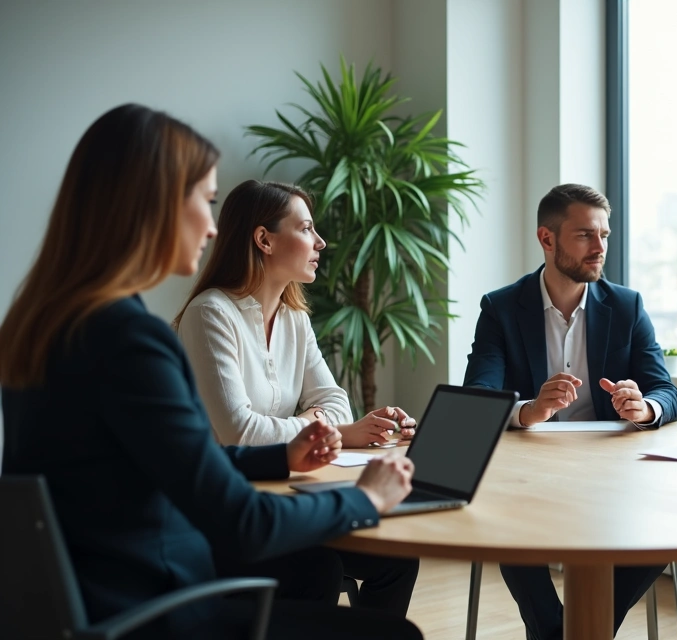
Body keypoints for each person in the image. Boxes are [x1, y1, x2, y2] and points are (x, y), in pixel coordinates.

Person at [0, 104, 422, 640]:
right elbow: (242, 523)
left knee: (321, 571)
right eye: (206, 200)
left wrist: (280, 454)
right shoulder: (128, 340)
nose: (214, 225)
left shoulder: (48, 325)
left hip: (103, 596)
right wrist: (365, 497)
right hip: (160, 608)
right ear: (151, 208)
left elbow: (173, 462)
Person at [173, 179, 421, 615]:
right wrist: (327, 428)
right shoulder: (210, 313)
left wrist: (329, 426)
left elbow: (337, 402)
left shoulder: (294, 318)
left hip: (285, 490)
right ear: (264, 239)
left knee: (396, 558)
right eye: (306, 228)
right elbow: (240, 432)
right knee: (319, 568)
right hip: (233, 509)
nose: (320, 242)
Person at [463, 183, 677, 639]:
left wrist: (643, 408)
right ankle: (560, 630)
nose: (599, 247)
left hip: (611, 471)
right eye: (585, 235)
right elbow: (477, 396)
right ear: (547, 239)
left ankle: (577, 629)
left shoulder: (626, 306)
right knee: (505, 517)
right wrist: (529, 410)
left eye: (604, 235)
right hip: (527, 472)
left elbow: (666, 391)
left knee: (668, 522)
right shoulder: (501, 308)